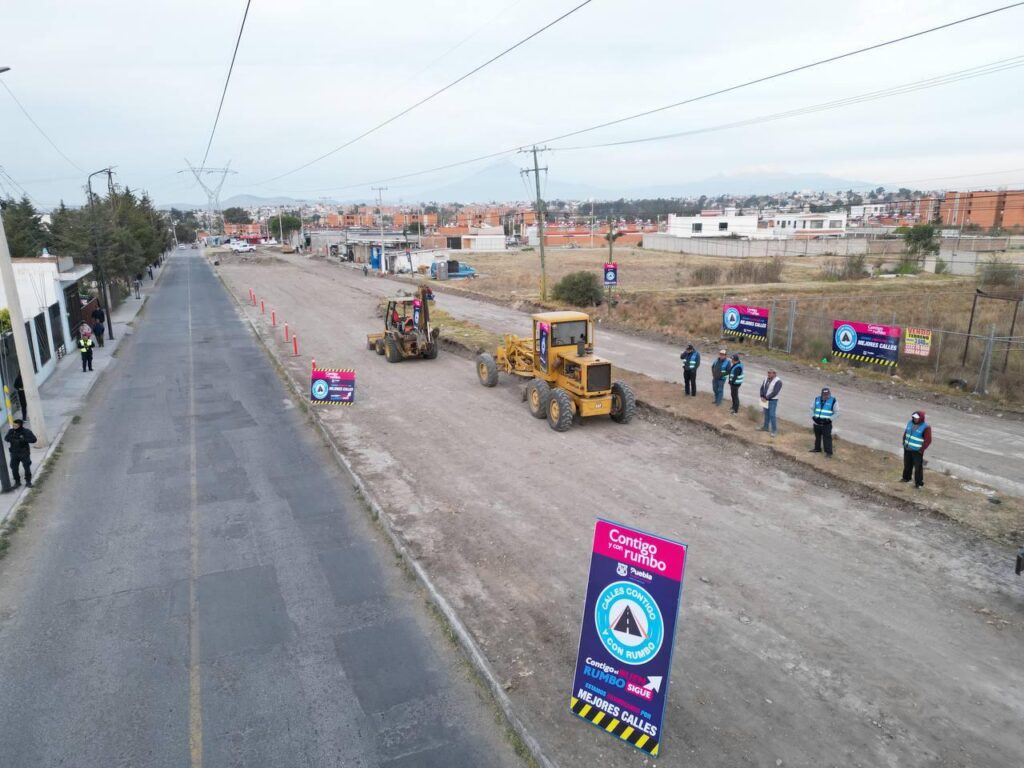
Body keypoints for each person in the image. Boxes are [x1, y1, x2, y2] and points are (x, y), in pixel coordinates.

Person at [900, 411, 931, 489]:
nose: (915, 419)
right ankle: (906, 478)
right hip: (907, 448)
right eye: (914, 417)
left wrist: (921, 450)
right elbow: (906, 433)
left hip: (917, 451)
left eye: (917, 418)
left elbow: (928, 440)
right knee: (907, 464)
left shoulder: (926, 427)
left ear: (921, 418)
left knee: (918, 468)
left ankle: (919, 483)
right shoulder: (910, 423)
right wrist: (904, 442)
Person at [5, 418, 37, 488]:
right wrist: (14, 438)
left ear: (20, 425)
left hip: (24, 453)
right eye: (13, 425)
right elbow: (6, 438)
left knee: (26, 467)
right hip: (14, 453)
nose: (14, 427)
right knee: (14, 468)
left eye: (16, 426)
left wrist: (23, 440)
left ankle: (28, 482)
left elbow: (34, 440)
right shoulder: (11, 431)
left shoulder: (26, 431)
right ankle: (17, 482)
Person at [809, 386, 837, 457]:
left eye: (827, 394)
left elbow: (837, 412)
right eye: (824, 394)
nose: (826, 396)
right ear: (821, 394)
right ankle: (817, 448)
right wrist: (813, 417)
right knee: (817, 436)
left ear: (829, 394)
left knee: (827, 438)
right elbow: (811, 409)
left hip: (826, 424)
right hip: (817, 422)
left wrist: (829, 419)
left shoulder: (833, 400)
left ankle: (829, 452)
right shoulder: (816, 399)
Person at [758, 368, 783, 436]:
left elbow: (775, 392)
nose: (768, 374)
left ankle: (774, 430)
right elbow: (762, 388)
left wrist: (766, 398)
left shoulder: (778, 382)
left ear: (774, 374)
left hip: (772, 400)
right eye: (768, 372)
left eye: (770, 373)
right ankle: (765, 427)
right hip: (765, 399)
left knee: (772, 415)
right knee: (766, 414)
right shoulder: (766, 378)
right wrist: (762, 396)